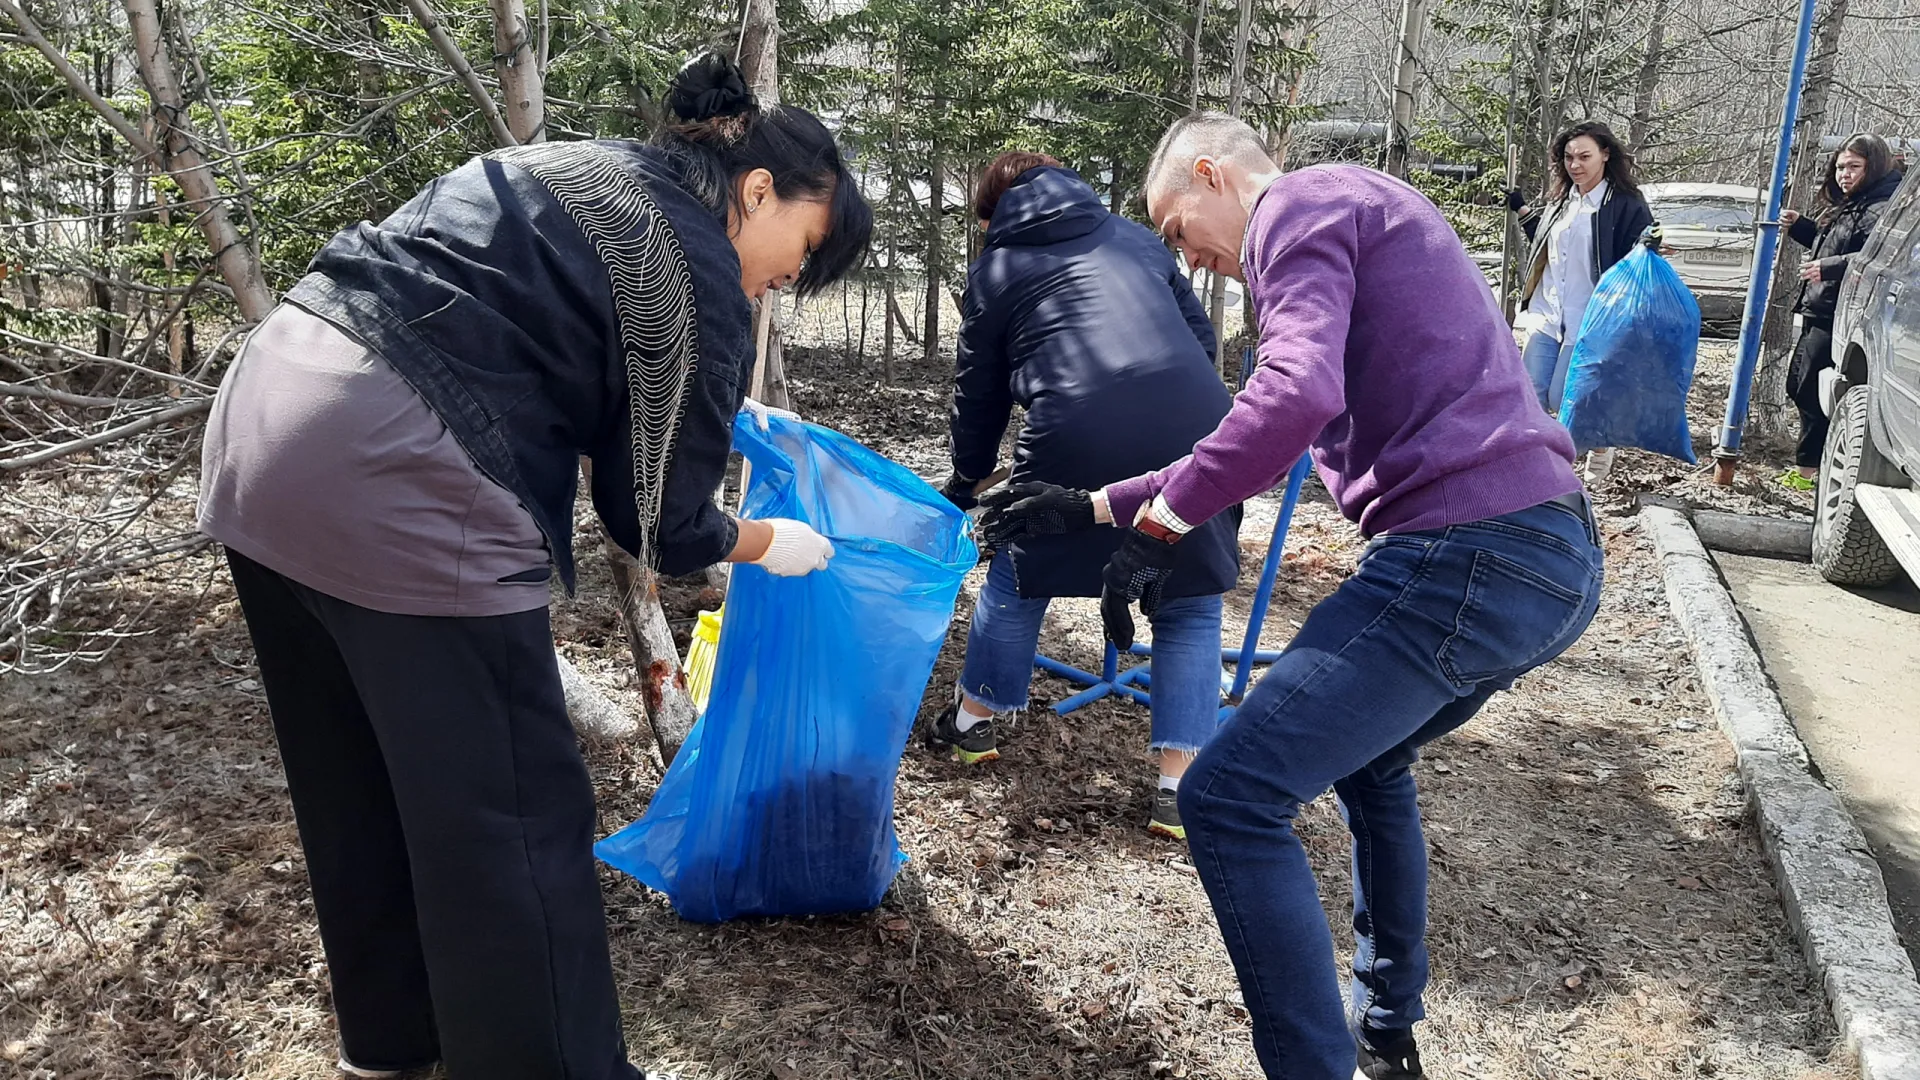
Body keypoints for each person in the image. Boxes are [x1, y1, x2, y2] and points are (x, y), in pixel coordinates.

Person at [197, 53, 869, 1080]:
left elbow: (539, 340)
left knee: (358, 780)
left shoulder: (584, 165)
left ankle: (393, 1045)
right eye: (802, 250)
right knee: (511, 820)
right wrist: (768, 541)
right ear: (760, 189)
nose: (787, 279)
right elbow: (656, 519)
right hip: (397, 473)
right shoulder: (695, 260)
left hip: (267, 424)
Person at [980, 114, 1605, 1080]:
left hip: (1464, 551)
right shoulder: (1361, 205)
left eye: (1177, 230)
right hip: (1546, 552)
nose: (1188, 260)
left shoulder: (1297, 207)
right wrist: (1100, 504)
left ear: (1209, 175)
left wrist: (1162, 526)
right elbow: (1268, 421)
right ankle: (1386, 1030)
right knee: (1371, 763)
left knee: (1227, 797)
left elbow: (1293, 396)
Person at [925, 151, 1241, 838]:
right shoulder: (1131, 234)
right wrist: (1179, 411)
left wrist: (966, 479)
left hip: (1074, 427)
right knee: (1186, 594)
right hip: (1198, 425)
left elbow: (977, 391)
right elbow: (1201, 337)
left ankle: (973, 725)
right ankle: (1174, 789)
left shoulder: (997, 268)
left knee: (1019, 565)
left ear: (993, 213)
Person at [1508, 120, 1653, 484]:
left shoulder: (1624, 204)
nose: (1576, 165)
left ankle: (1600, 442)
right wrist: (1523, 211)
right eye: (1569, 157)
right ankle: (1544, 473)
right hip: (1548, 312)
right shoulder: (1563, 201)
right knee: (1534, 394)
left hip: (1591, 317)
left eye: (1584, 156)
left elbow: (1640, 252)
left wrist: (1651, 246)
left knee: (1563, 398)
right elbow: (1547, 245)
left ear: (1605, 155)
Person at [1777, 132, 1903, 489]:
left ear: (1874, 166)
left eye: (1854, 167)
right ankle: (1811, 467)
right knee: (1799, 386)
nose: (1843, 174)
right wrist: (1801, 227)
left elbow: (1877, 257)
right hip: (1820, 307)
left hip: (1845, 315)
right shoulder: (1854, 202)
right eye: (1840, 167)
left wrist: (1829, 267)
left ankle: (1809, 472)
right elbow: (1834, 241)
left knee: (1811, 391)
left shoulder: (1884, 206)